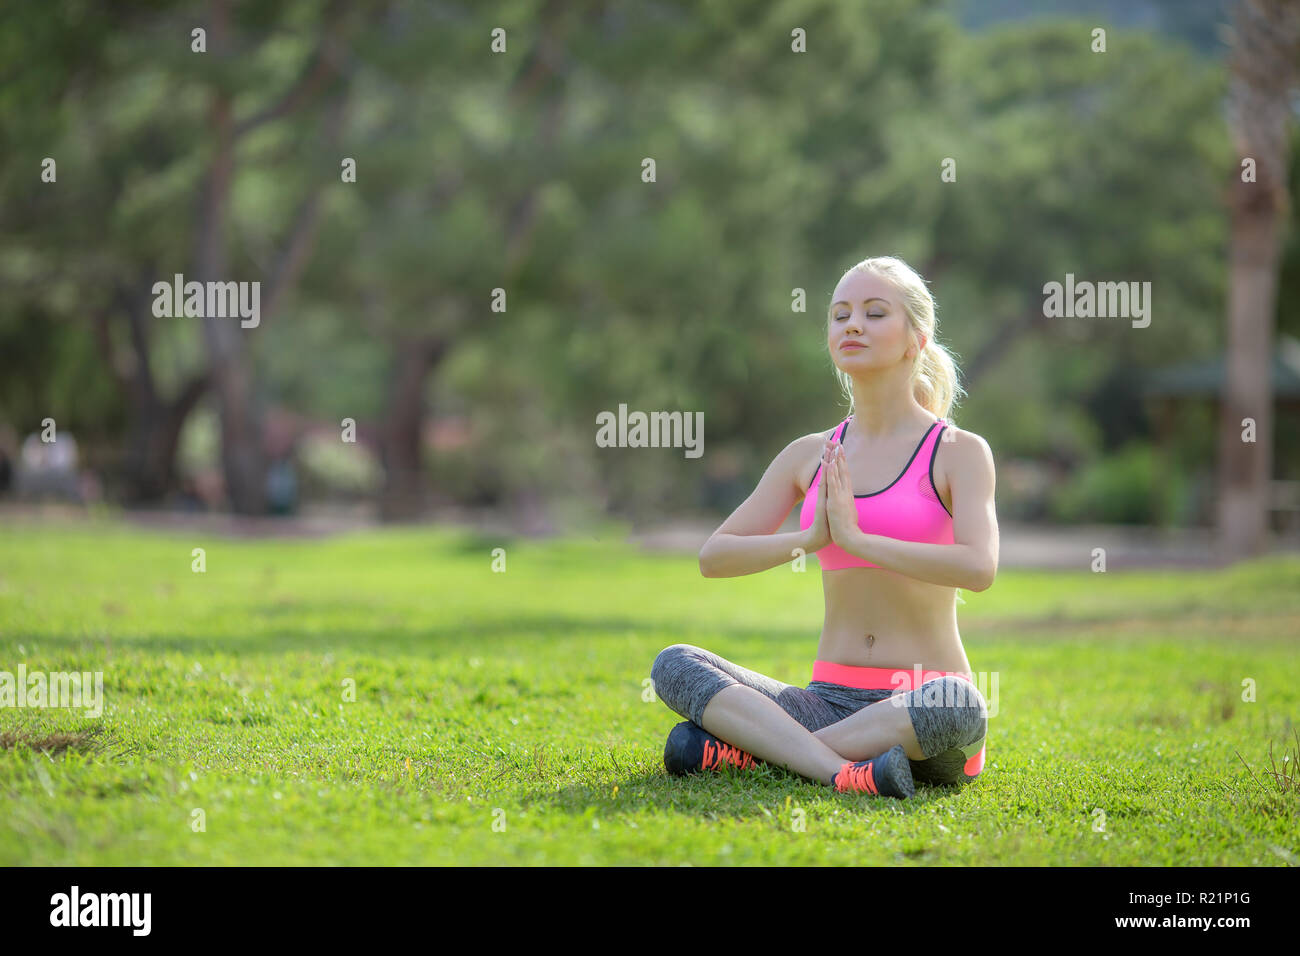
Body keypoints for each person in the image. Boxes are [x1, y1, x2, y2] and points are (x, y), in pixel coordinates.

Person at [651, 256, 998, 798]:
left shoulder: (958, 452)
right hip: (825, 699)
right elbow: (714, 556)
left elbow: (979, 568)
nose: (852, 324)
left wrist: (861, 542)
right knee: (675, 664)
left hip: (920, 704)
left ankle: (764, 750)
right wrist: (808, 540)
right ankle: (843, 772)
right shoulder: (809, 454)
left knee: (962, 704)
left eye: (874, 312)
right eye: (840, 315)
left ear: (916, 339)